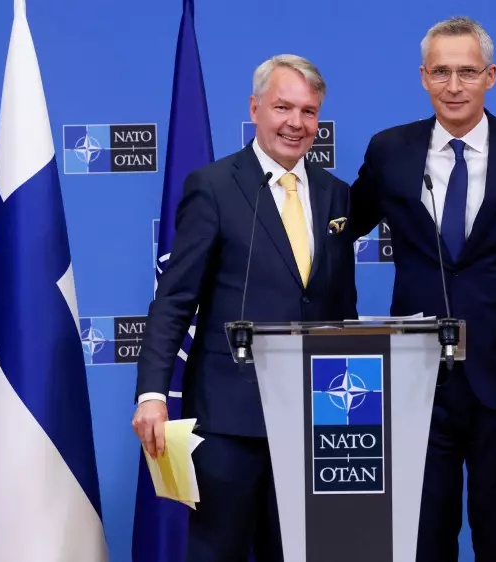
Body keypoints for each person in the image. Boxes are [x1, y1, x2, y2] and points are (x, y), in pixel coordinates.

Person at [347, 16, 496, 561]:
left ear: (490, 76)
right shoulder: (389, 150)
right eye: (440, 72)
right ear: (423, 76)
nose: (453, 86)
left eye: (467, 72)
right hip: (416, 379)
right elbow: (337, 231)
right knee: (425, 538)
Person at [132, 55, 357, 562]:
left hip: (314, 419)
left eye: (308, 111)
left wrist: (349, 409)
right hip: (228, 420)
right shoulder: (212, 187)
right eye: (283, 107)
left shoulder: (336, 195)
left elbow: (341, 308)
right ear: (255, 109)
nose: (296, 123)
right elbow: (174, 301)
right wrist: (151, 394)